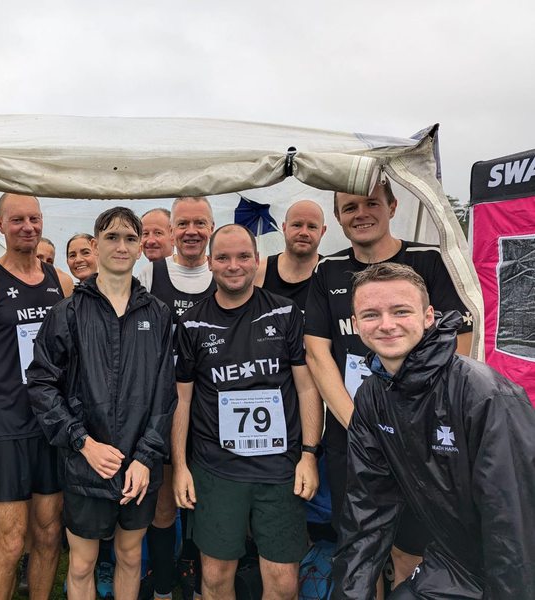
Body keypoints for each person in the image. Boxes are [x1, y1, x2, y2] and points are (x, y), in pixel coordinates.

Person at [304, 180, 474, 589]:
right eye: (349, 207)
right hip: (352, 436)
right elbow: (317, 353)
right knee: (360, 549)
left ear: (393, 206)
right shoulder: (327, 270)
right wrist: (362, 426)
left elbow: (460, 344)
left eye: (371, 203)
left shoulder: (429, 260)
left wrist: (415, 422)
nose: (361, 214)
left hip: (419, 439)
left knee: (410, 553)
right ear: (338, 218)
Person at [332, 263, 535, 599]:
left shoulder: (484, 393)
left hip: (518, 565)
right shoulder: (372, 396)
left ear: (428, 317)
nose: (386, 324)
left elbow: (513, 522)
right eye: (371, 315)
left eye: (401, 311)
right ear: (355, 325)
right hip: (454, 562)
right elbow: (367, 510)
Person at [28, 206, 177, 600]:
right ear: (96, 246)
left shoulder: (158, 314)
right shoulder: (67, 312)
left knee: (129, 556)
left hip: (138, 465)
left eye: (130, 238)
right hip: (85, 463)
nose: (121, 246)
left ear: (141, 247)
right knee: (82, 563)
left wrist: (145, 458)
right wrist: (82, 442)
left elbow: (165, 393)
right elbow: (41, 384)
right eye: (112, 237)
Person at [173, 224, 322, 600]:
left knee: (283, 582)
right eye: (223, 257)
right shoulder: (192, 323)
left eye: (243, 256)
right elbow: (183, 400)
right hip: (217, 469)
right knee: (215, 577)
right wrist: (180, 466)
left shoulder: (285, 312)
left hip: (280, 468)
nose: (233, 265)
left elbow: (307, 387)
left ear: (257, 260)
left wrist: (309, 455)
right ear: (209, 262)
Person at [0, 193, 74, 600]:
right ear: (0, 224)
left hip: (52, 426)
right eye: (18, 219)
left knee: (49, 533)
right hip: (6, 427)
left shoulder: (61, 282)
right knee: (9, 542)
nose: (28, 227)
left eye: (34, 219)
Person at [137, 196, 216, 600]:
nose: (191, 231)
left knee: (209, 503)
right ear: (172, 231)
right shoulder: (150, 273)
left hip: (213, 408)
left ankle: (203, 583)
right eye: (183, 223)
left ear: (211, 228)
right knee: (165, 503)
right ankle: (164, 586)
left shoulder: (224, 271)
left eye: (200, 223)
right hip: (166, 407)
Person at [254, 199, 326, 309]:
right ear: (284, 227)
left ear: (322, 231)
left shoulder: (331, 274)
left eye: (312, 227)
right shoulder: (259, 272)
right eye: (297, 225)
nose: (304, 233)